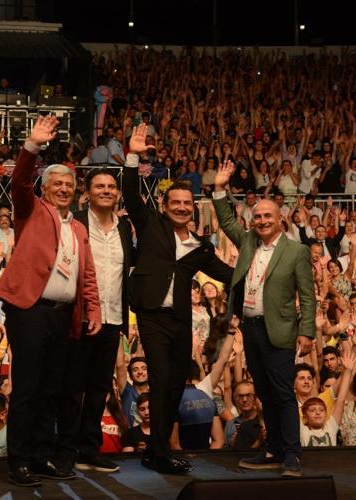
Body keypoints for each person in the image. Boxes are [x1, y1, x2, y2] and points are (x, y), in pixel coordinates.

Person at [0, 115, 101, 487]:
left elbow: (87, 275)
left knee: (51, 390)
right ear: (45, 187)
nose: (64, 188)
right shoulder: (32, 210)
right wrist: (33, 145)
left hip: (63, 316)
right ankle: (19, 460)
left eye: (69, 184)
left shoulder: (80, 227)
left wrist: (93, 309)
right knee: (27, 388)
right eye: (57, 183)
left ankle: (40, 456)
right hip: (30, 311)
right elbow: (20, 181)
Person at [122, 123, 232, 474]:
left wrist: (263, 270)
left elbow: (228, 274)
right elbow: (130, 193)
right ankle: (159, 453)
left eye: (187, 204)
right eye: (176, 203)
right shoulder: (151, 224)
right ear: (164, 204)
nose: (182, 208)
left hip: (181, 322)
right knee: (160, 380)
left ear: (193, 208)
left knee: (174, 385)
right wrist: (133, 155)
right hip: (152, 316)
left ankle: (157, 450)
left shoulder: (200, 247)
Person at [212, 159, 316, 477]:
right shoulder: (247, 241)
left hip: (280, 330)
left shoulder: (296, 251)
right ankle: (273, 450)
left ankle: (292, 454)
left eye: (267, 215)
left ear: (280, 218)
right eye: (257, 216)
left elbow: (307, 295)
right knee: (265, 394)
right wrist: (219, 188)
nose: (261, 221)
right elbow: (226, 220)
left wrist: (307, 331)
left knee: (283, 393)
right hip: (251, 328)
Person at [57, 167, 134, 474]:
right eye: (99, 186)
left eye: (111, 187)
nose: (106, 191)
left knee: (99, 388)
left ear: (118, 193)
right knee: (71, 388)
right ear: (87, 193)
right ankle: (65, 451)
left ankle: (89, 450)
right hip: (80, 318)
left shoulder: (124, 227)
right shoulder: (74, 222)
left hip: (112, 318)